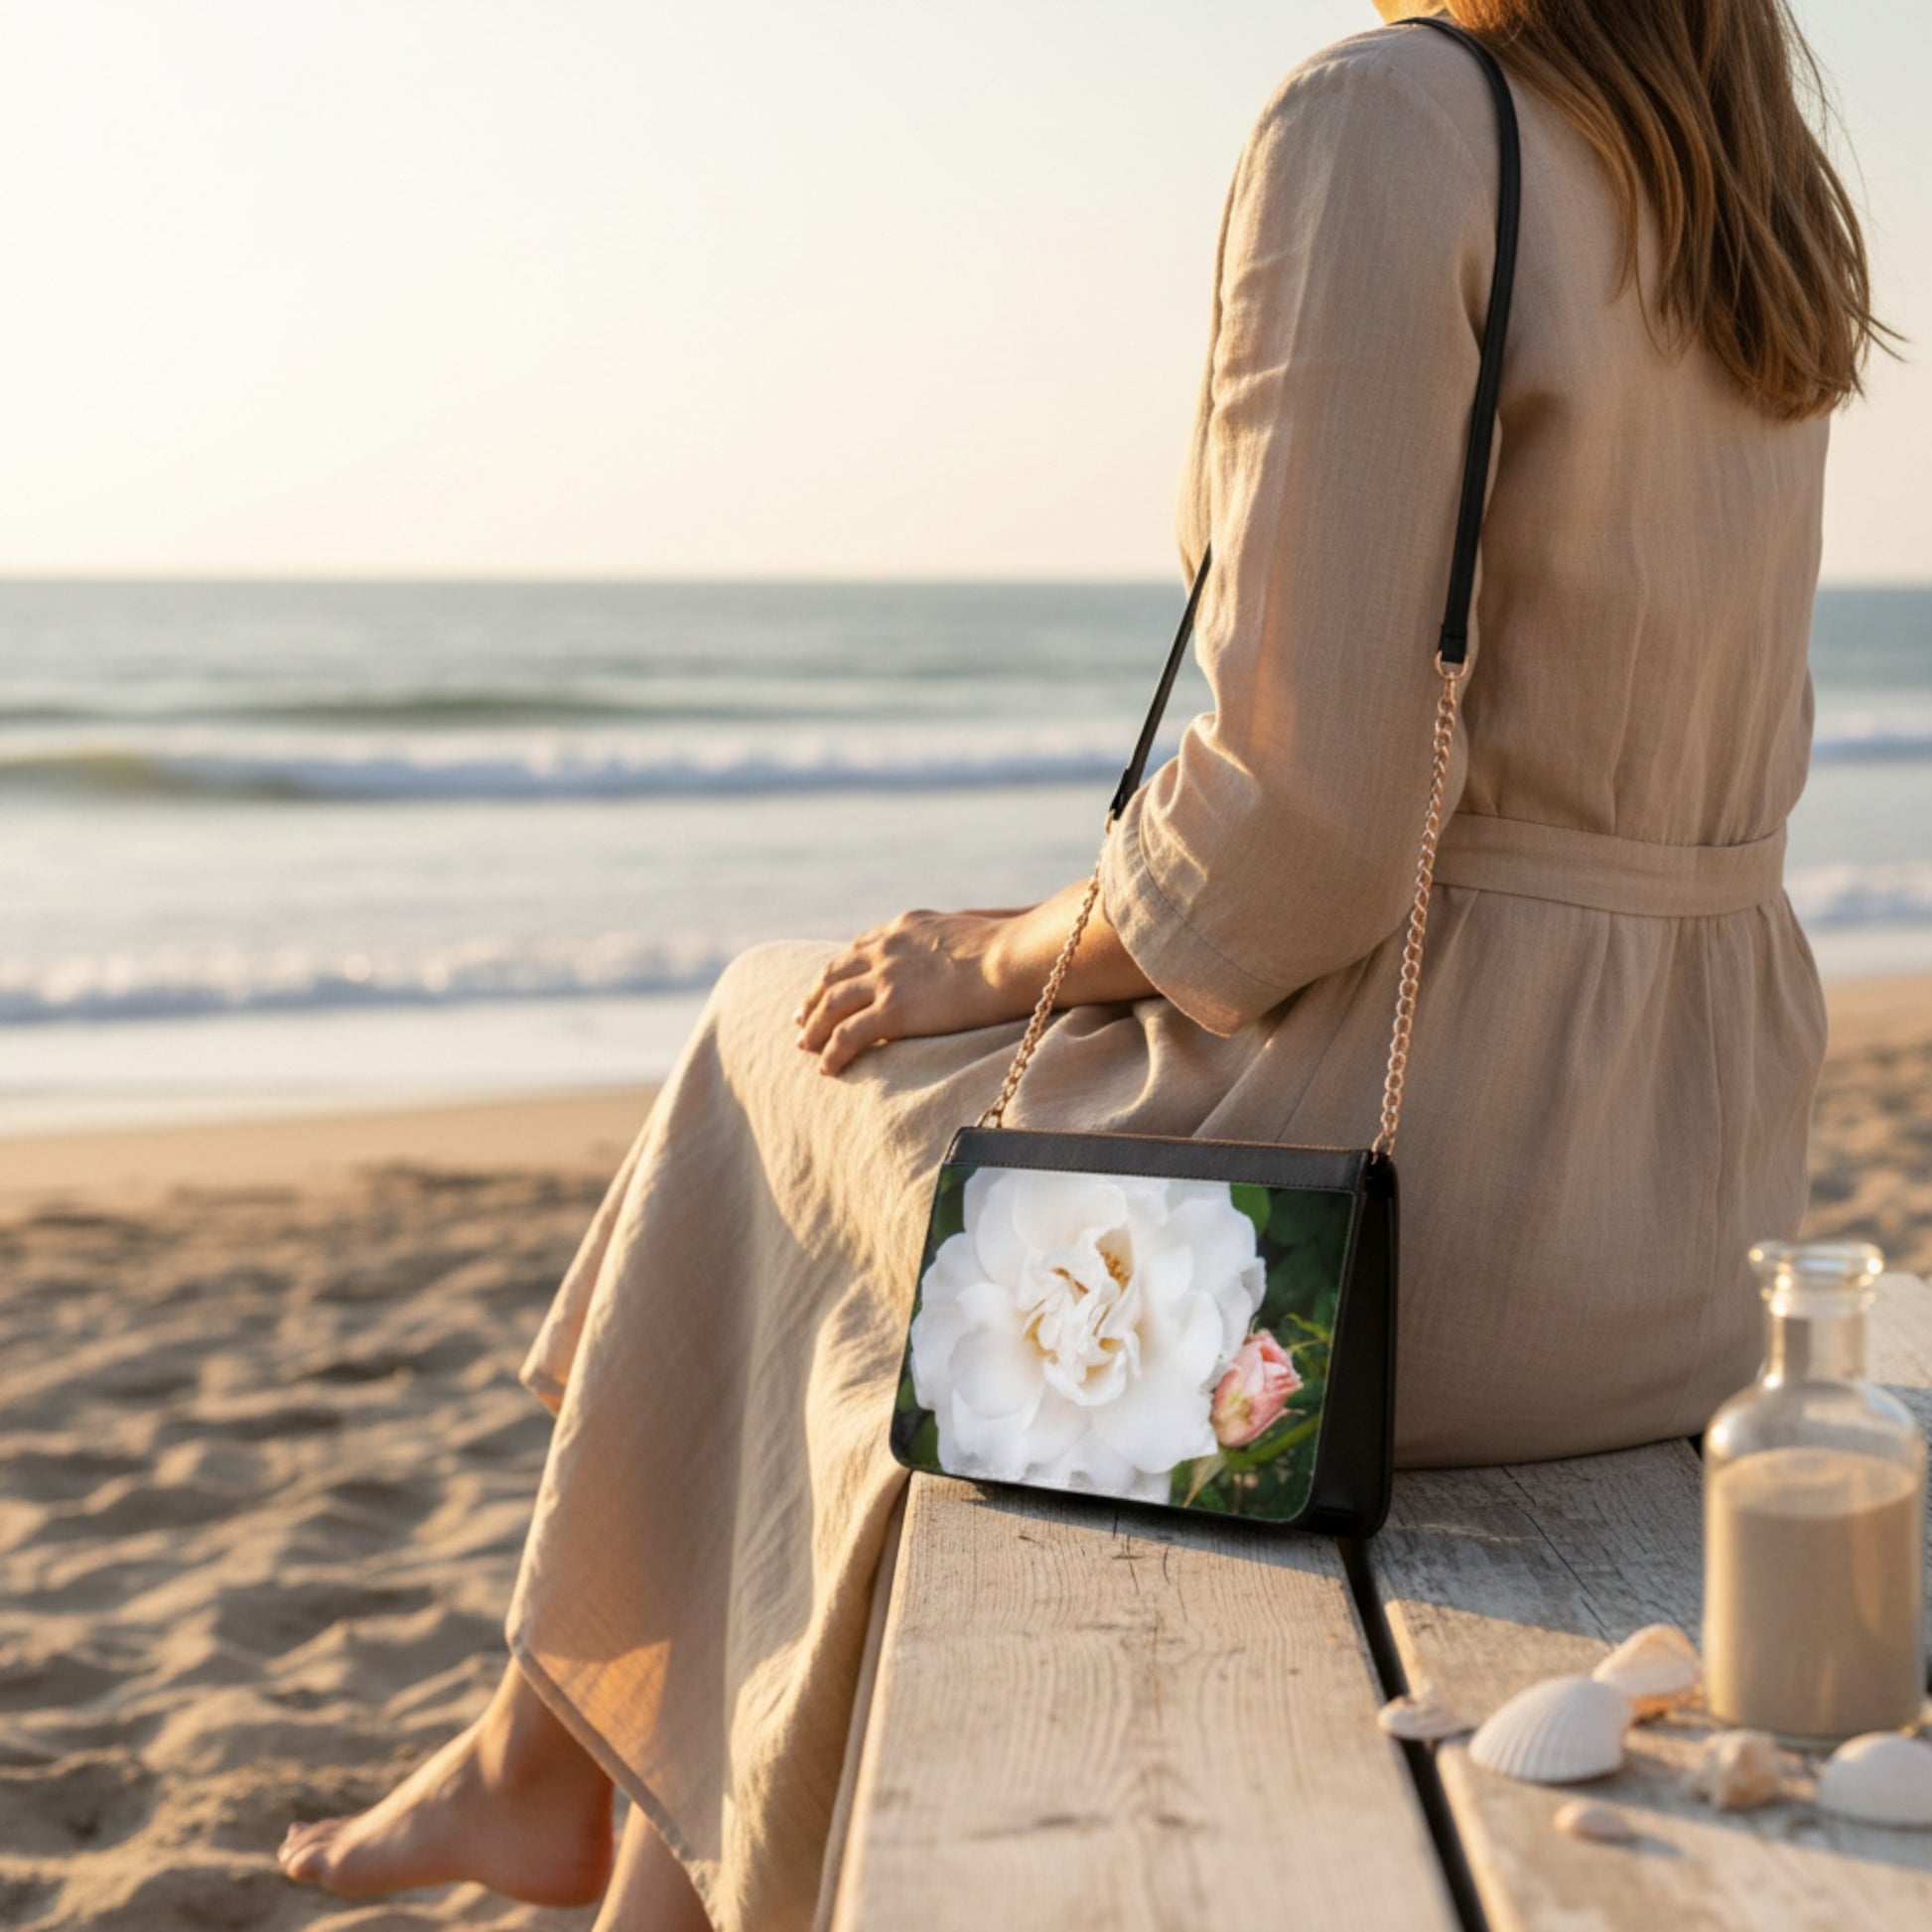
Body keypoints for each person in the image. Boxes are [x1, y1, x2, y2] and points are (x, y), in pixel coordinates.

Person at [278, 1, 1887, 1925]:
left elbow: (1300, 833)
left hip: (1407, 1255)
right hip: (1679, 1240)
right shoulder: (1749, 193)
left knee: (773, 1039)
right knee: (900, 1290)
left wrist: (1003, 953)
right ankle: (597, 1827)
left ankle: (561, 1775)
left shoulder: (1387, 120)